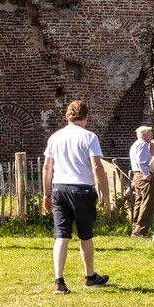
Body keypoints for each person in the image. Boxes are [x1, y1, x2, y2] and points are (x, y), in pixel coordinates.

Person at [42, 100, 110, 294]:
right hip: (82, 189)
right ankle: (90, 276)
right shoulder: (89, 137)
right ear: (86, 117)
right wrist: (105, 193)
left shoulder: (55, 137)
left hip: (59, 188)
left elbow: (47, 168)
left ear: (67, 116)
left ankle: (59, 281)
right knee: (85, 235)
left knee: (61, 236)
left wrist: (47, 194)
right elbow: (97, 166)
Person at [128, 125, 154, 238]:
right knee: (147, 202)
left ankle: (135, 226)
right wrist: (146, 174)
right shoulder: (143, 144)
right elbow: (141, 161)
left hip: (137, 174)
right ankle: (141, 229)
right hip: (143, 175)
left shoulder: (136, 144)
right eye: (150, 133)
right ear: (144, 134)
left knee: (139, 200)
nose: (152, 135)